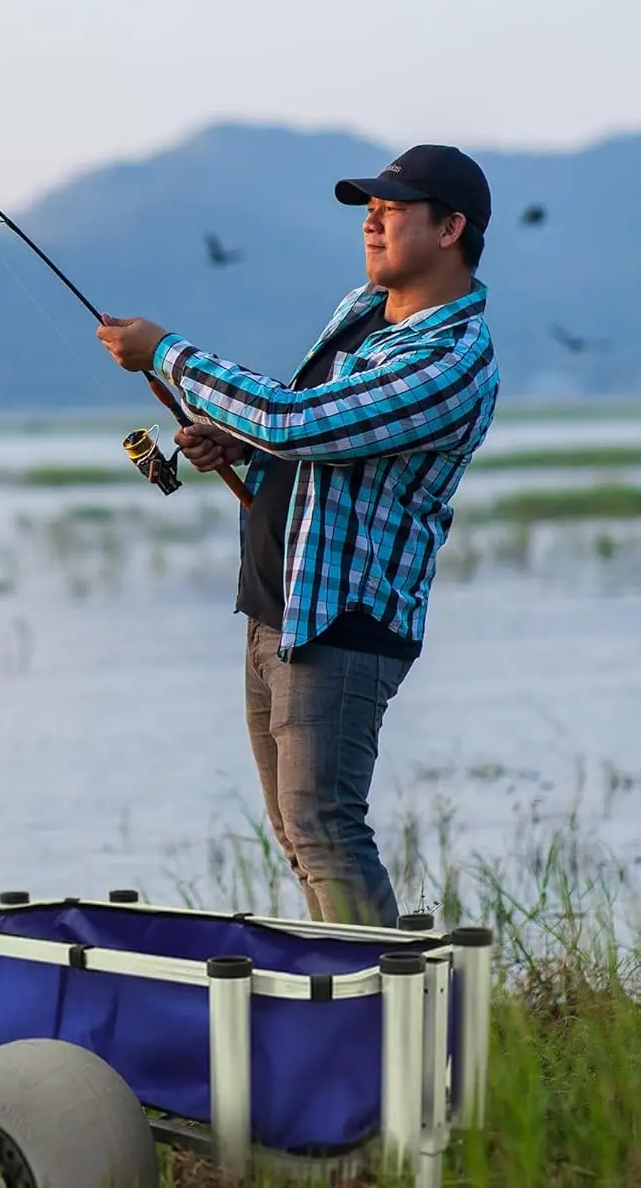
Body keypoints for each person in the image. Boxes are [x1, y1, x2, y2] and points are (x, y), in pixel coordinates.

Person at [96, 145, 499, 927]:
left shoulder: (451, 359)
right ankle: (346, 1012)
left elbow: (298, 421)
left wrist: (167, 355)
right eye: (368, 210)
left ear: (451, 229)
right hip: (275, 610)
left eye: (392, 210)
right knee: (296, 834)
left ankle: (389, 1018)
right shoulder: (362, 311)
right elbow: (298, 422)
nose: (371, 223)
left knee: (326, 830)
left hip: (342, 625)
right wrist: (234, 440)